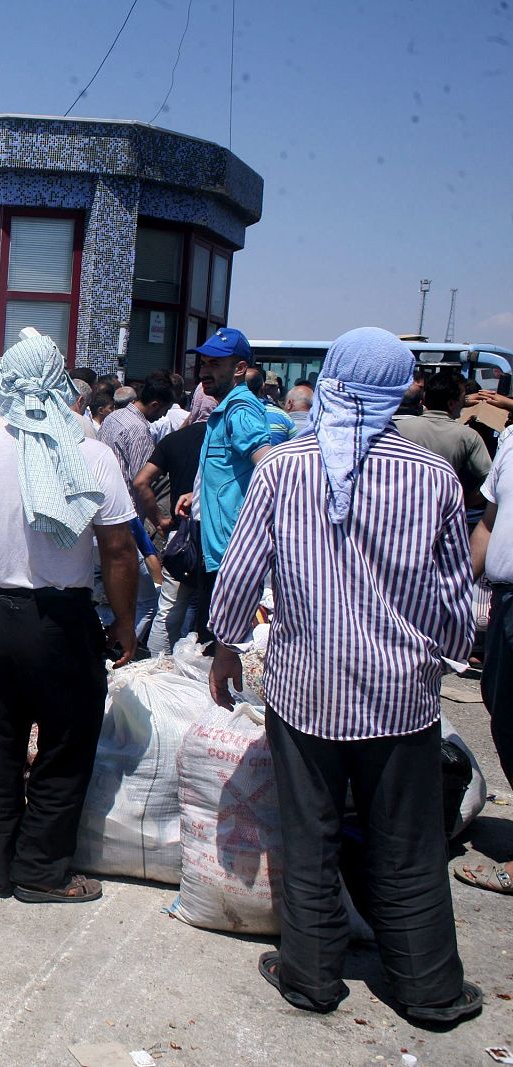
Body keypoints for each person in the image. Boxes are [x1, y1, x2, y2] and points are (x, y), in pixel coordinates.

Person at [207, 327, 482, 1026]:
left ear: (330, 379)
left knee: (310, 834)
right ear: (400, 390)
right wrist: (439, 657)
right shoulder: (433, 476)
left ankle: (310, 973)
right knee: (408, 844)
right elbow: (455, 598)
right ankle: (429, 989)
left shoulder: (284, 469)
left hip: (305, 695)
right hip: (402, 699)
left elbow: (240, 572)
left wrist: (228, 645)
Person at [0, 331, 138, 904]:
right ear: (56, 382)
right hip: (62, 622)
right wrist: (124, 620)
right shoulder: (91, 455)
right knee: (65, 745)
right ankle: (42, 872)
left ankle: (1, 869)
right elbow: (118, 549)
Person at [175, 327, 272, 639]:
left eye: (215, 365)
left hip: (229, 549)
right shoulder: (225, 409)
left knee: (219, 641)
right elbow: (230, 469)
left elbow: (269, 464)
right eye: (203, 364)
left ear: (240, 369)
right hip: (216, 545)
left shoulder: (239, 409)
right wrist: (198, 493)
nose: (205, 372)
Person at [465, 424, 513, 894]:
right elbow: (488, 523)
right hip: (504, 601)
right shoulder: (510, 443)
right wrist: (458, 597)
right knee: (503, 711)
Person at [132, 414, 207, 655]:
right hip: (217, 534)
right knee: (201, 608)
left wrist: (159, 520)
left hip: (181, 535)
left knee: (169, 609)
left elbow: (141, 481)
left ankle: (157, 669)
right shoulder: (228, 440)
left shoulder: (174, 440)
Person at [394, 369, 491, 507]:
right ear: (452, 403)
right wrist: (463, 504)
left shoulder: (397, 428)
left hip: (399, 508)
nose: (465, 402)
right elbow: (490, 479)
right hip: (442, 512)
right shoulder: (468, 436)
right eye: (464, 398)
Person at [96, 372, 173, 490]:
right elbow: (141, 482)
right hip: (124, 500)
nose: (163, 416)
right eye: (165, 410)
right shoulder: (139, 430)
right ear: (155, 405)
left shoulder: (113, 416)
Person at [246, 367, 295, 445]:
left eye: (273, 387)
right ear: (263, 387)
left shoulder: (282, 412)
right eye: (268, 386)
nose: (270, 390)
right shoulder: (282, 415)